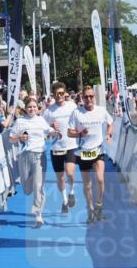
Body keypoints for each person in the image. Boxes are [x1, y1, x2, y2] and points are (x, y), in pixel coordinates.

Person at [69, 87, 114, 223]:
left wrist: (108, 134)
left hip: (98, 150)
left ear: (94, 97)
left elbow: (110, 122)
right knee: (87, 185)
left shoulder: (101, 111)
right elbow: (69, 132)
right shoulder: (76, 113)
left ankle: (99, 204)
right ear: (82, 98)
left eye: (91, 96)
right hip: (83, 152)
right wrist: (79, 134)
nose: (88, 99)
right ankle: (90, 210)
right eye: (86, 97)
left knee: (100, 179)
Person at [10, 97, 54, 227]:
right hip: (24, 157)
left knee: (38, 186)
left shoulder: (40, 120)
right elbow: (11, 138)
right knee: (27, 189)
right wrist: (19, 137)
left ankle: (38, 215)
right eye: (30, 107)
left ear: (37, 108)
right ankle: (35, 199)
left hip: (39, 155)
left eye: (34, 107)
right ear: (25, 108)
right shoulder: (20, 121)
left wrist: (55, 132)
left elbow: (49, 130)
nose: (32, 109)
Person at [42, 82, 79, 214]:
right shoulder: (48, 111)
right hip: (56, 147)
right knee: (60, 177)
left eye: (62, 93)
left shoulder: (72, 106)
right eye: (57, 94)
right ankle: (64, 201)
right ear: (53, 94)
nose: (60, 96)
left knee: (70, 172)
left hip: (71, 145)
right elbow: (43, 129)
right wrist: (51, 128)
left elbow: (78, 122)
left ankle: (72, 192)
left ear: (65, 93)